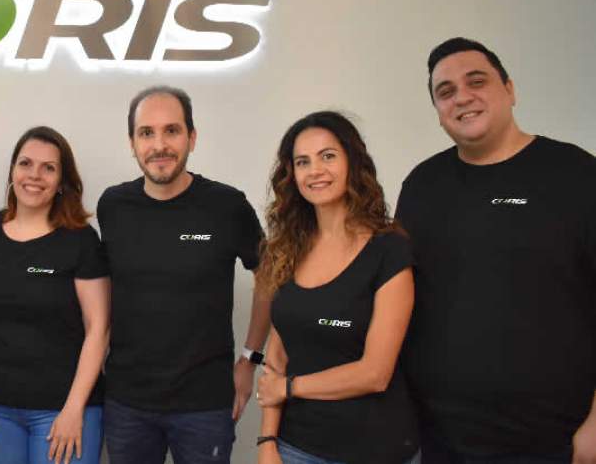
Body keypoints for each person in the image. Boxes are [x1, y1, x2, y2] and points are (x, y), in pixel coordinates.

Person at [397, 37, 596, 463]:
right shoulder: (422, 186)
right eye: (445, 91)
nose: (462, 97)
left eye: (477, 81)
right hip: (439, 439)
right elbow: (400, 297)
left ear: (509, 89)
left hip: (553, 441)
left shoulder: (577, 175)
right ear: (438, 111)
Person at [97, 85, 270, 464]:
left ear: (192, 137)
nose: (159, 145)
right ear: (132, 143)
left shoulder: (227, 205)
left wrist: (250, 360)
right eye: (146, 133)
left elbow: (271, 278)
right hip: (127, 403)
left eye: (171, 131)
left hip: (204, 405)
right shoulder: (113, 205)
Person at [254, 111, 419, 464]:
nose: (315, 170)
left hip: (375, 450)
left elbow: (375, 373)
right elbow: (277, 355)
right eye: (303, 162)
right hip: (295, 447)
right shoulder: (285, 250)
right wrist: (267, 440)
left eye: (327, 156)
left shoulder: (389, 250)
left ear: (352, 162)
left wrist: (290, 388)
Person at [0, 126, 110, 464]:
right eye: (26, 163)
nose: (34, 175)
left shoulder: (80, 240)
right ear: (13, 170)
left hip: (64, 410)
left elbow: (99, 328)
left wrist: (74, 409)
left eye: (48, 168)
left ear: (62, 181)